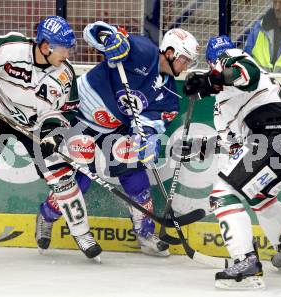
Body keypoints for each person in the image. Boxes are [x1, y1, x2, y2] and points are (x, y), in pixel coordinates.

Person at [34, 21, 200, 257]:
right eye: (185, 59)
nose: (186, 66)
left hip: (115, 127)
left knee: (134, 172)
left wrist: (147, 138)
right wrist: (111, 40)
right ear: (170, 52)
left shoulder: (170, 95)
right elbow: (94, 30)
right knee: (80, 179)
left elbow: (150, 122)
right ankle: (47, 215)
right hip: (81, 113)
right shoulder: (143, 51)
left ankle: (145, 233)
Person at [0, 16, 102, 266]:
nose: (67, 53)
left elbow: (69, 110)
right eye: (62, 48)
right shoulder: (12, 48)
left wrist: (53, 129)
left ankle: (82, 234)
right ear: (44, 45)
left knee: (62, 177)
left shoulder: (65, 75)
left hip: (35, 126)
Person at [183, 35, 281, 289]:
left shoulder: (228, 59)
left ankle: (246, 262)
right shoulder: (225, 104)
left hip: (275, 132)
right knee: (258, 194)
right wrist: (204, 147)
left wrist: (211, 79)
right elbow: (237, 147)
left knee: (222, 194)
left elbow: (246, 73)